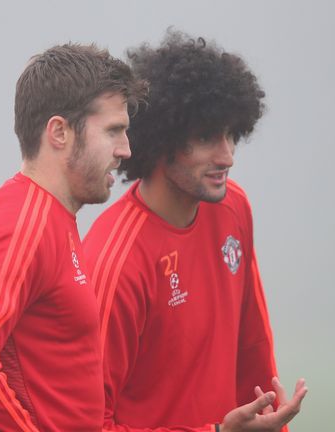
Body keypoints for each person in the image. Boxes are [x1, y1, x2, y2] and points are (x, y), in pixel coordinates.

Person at [82, 31, 307, 432]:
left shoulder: (234, 207)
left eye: (231, 134)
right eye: (206, 137)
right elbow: (89, 423)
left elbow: (252, 351)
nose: (228, 157)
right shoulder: (115, 259)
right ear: (162, 139)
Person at [0, 44, 146, 431]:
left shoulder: (34, 215)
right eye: (113, 131)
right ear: (59, 132)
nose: (126, 149)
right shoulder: (24, 226)